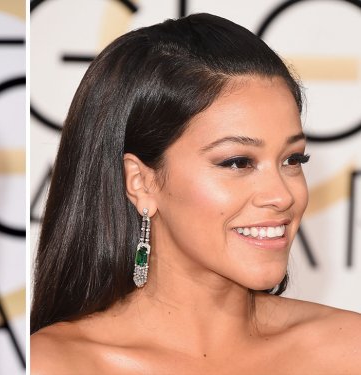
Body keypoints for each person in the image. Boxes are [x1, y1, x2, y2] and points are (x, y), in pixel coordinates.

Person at [30, 13, 361, 373]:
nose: (282, 196)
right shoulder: (55, 364)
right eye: (237, 162)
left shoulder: (348, 348)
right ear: (141, 182)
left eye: (292, 159)